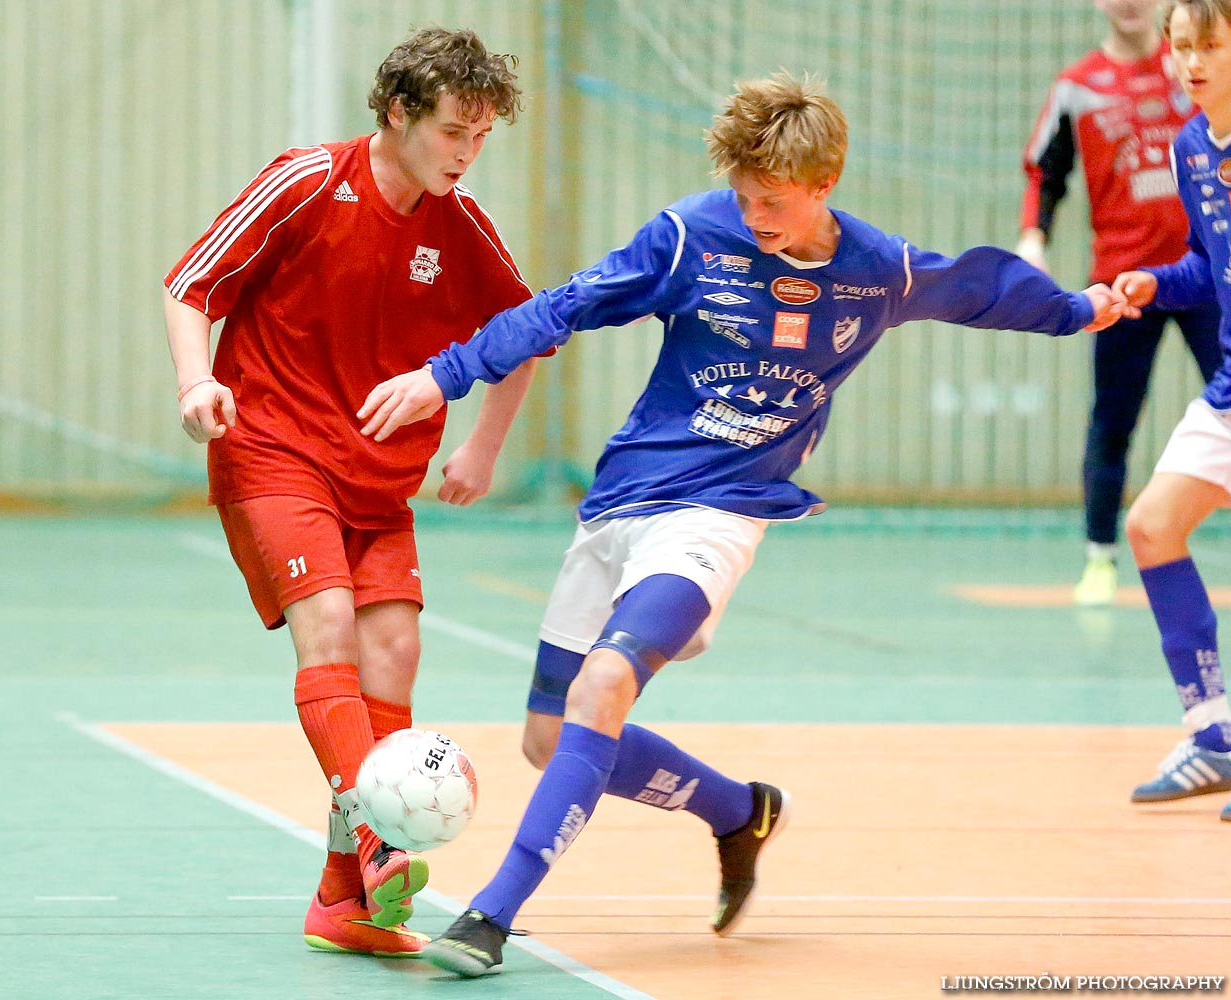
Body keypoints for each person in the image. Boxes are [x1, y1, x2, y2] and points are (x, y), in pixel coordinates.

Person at [356, 72, 1127, 977]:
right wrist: (443, 378)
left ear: (824, 184)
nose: (753, 213)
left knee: (604, 686)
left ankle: (488, 915)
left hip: (721, 514)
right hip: (623, 500)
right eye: (743, 195)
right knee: (547, 741)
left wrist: (1081, 309)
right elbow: (561, 306)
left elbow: (980, 286)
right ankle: (737, 811)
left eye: (773, 200)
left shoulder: (875, 270)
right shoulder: (691, 235)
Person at [162, 27, 538, 957]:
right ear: (399, 112)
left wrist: (484, 449)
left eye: (482, 137)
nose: (467, 153)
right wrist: (194, 382)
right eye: (454, 131)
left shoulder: (460, 226)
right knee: (325, 626)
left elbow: (528, 334)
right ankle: (378, 840)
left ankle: (344, 900)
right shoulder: (306, 180)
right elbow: (190, 285)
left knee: (394, 654)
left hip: (381, 481)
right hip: (276, 449)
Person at [1017, 0, 1222, 607]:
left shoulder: (1196, 66)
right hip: (1126, 283)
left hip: (1205, 276)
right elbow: (1043, 172)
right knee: (1113, 420)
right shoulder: (1077, 88)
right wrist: (1033, 240)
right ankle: (1100, 559)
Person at [1110, 0, 1231, 817]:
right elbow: (1207, 262)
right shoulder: (1192, 146)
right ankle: (1213, 737)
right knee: (1153, 527)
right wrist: (1160, 282)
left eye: (1211, 44)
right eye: (1181, 47)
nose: (1192, 62)